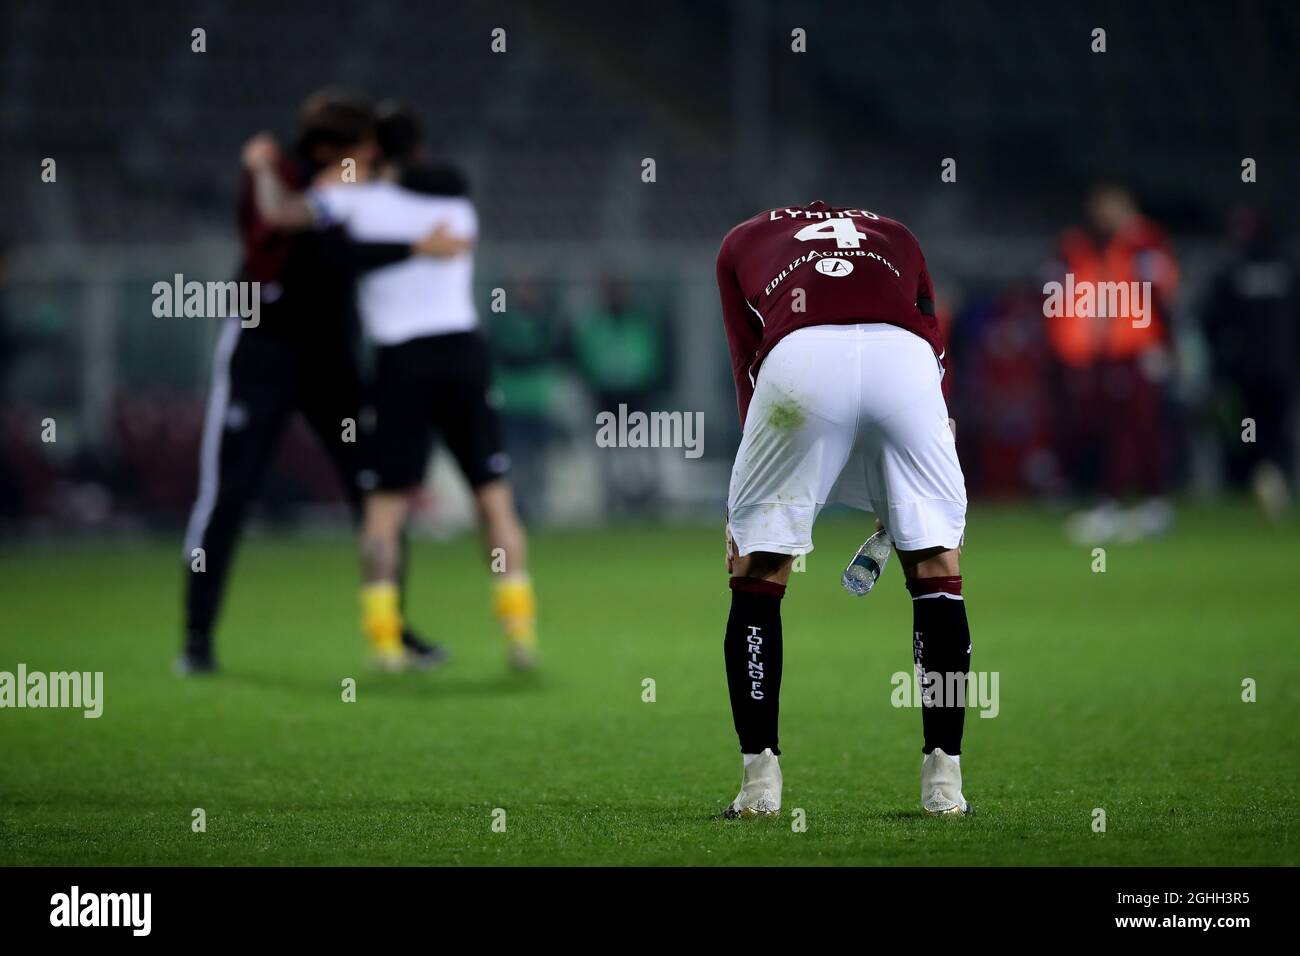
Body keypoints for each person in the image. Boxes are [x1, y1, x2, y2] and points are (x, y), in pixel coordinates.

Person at [242, 104, 539, 671]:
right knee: (494, 501)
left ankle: (383, 643)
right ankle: (519, 632)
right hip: (463, 353)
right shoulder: (454, 204)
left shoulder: (354, 198)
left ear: (373, 149)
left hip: (402, 361)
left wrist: (260, 166)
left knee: (384, 509)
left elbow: (278, 215)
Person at [715, 201, 972, 817]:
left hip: (799, 361)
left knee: (758, 571)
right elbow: (933, 344)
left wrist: (754, 507)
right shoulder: (899, 232)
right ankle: (944, 783)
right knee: (937, 564)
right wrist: (929, 445)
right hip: (904, 365)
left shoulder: (740, 242)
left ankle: (760, 786)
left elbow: (746, 364)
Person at [180, 89, 448, 675]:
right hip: (264, 350)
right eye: (362, 148)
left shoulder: (354, 183)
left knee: (374, 491)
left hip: (330, 359)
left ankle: (391, 629)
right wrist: (409, 247)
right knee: (228, 492)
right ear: (330, 148)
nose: (372, 158)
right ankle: (197, 639)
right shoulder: (276, 174)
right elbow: (308, 236)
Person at [1047, 182, 1181, 543]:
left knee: (1134, 428)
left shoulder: (1142, 243)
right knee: (1124, 427)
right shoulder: (1094, 246)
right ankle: (1150, 504)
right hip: (1109, 352)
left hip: (1139, 349)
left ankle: (1115, 503)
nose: (1103, 215)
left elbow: (1162, 293)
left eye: (1110, 207)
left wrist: (1166, 346)